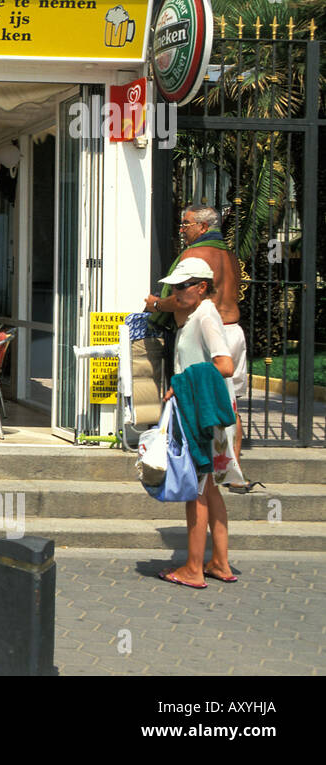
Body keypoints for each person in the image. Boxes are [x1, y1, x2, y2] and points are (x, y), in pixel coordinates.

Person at [144, 204, 247, 484]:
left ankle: (203, 463)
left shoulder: (193, 256)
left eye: (186, 224)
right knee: (230, 401)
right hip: (233, 330)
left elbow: (179, 300)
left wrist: (155, 305)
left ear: (203, 227)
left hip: (207, 331)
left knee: (199, 395)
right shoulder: (230, 256)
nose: (182, 230)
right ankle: (231, 471)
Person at [155, 258, 238, 589]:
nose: (176, 292)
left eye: (181, 286)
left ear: (202, 287)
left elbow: (225, 364)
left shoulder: (205, 316)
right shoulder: (198, 316)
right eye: (173, 287)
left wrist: (182, 382)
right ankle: (219, 561)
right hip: (206, 413)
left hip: (202, 416)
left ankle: (192, 568)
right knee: (210, 488)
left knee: (197, 490)